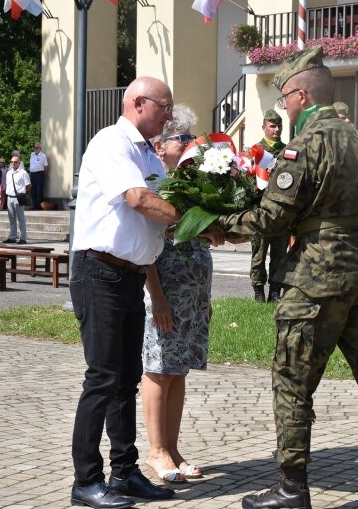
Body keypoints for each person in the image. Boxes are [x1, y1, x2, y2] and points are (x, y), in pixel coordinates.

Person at [211, 47, 358, 509]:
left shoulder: (303, 146)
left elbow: (271, 218)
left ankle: (292, 490)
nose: (283, 105)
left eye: (284, 96)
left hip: (316, 281)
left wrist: (215, 225)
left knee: (291, 380)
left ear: (301, 94)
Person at [68, 76, 183, 509]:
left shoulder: (145, 153)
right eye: (164, 106)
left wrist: (155, 287)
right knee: (102, 378)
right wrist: (192, 220)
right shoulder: (110, 142)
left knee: (126, 381)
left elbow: (151, 224)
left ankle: (125, 472)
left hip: (131, 275)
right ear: (138, 103)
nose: (168, 115)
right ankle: (86, 481)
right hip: (99, 273)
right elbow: (138, 200)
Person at [141, 105, 208, 485]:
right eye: (179, 138)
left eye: (189, 138)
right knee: (159, 367)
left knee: (178, 370)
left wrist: (204, 298)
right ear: (160, 145)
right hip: (163, 290)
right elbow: (150, 247)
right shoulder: (154, 182)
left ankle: (173, 447)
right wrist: (159, 298)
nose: (187, 144)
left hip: (192, 293)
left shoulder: (192, 182)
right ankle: (156, 451)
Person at [250, 109, 288, 303]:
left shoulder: (288, 150)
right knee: (259, 252)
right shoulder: (256, 151)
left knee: (280, 253)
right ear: (264, 127)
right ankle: (258, 291)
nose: (276, 129)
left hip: (281, 210)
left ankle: (275, 291)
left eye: (279, 125)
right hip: (261, 210)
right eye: (272, 126)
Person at [3, 155, 31, 244]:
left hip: (18, 198)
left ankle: (22, 238)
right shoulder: (8, 173)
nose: (13, 163)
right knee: (11, 219)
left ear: (19, 163)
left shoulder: (23, 173)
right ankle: (12, 237)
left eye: (15, 162)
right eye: (12, 162)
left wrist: (22, 192)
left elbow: (29, 185)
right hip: (9, 197)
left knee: (21, 219)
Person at [29, 142, 48, 209]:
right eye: (34, 147)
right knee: (33, 190)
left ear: (40, 148)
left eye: (37, 147)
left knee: (39, 190)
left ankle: (40, 206)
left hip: (40, 174)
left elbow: (45, 166)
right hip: (32, 174)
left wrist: (43, 175)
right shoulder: (32, 154)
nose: (35, 149)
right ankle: (34, 205)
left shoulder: (43, 156)